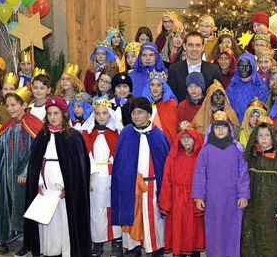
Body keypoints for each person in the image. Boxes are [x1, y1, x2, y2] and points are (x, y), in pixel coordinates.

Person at [23, 96, 92, 257]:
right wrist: (38, 183)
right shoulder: (42, 135)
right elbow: (35, 164)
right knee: (49, 221)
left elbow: (78, 168)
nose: (53, 117)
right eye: (49, 114)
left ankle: (67, 250)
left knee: (65, 219)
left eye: (56, 113)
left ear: (64, 114)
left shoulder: (73, 137)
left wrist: (67, 186)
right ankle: (50, 250)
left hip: (63, 188)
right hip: (45, 186)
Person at [111, 97, 171, 257]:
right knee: (132, 214)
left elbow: (164, 163)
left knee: (153, 217)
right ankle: (133, 247)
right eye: (134, 113)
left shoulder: (158, 135)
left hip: (152, 185)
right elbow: (120, 161)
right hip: (130, 184)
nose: (137, 116)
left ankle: (155, 247)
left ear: (149, 115)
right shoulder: (126, 133)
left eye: (141, 112)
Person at [0, 87, 43, 255]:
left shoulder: (32, 123)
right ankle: (5, 238)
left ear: (24, 105)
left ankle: (28, 244)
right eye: (8, 106)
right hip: (7, 175)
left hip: (23, 176)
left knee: (24, 207)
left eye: (13, 105)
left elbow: (37, 150)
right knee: (8, 206)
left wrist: (24, 171)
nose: (10, 109)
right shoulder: (7, 125)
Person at [193, 111, 250, 257]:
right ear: (211, 129)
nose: (220, 130)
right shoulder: (206, 150)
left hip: (233, 198)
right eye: (217, 127)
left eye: (223, 127)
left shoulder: (238, 149)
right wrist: (199, 196)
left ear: (229, 129)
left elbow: (243, 174)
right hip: (213, 199)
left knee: (232, 229)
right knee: (214, 230)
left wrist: (244, 195)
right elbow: (199, 174)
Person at [241, 118, 277, 257]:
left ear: (274, 136)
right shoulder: (250, 157)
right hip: (252, 210)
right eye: (260, 135)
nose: (264, 139)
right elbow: (242, 180)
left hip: (273, 212)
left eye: (267, 135)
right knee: (251, 242)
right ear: (255, 137)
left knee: (272, 243)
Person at [159, 121, 205, 257]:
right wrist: (166, 201)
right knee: (180, 227)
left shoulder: (201, 156)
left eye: (189, 137)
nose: (186, 141)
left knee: (194, 228)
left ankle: (195, 252)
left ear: (195, 138)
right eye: (183, 138)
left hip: (194, 198)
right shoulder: (172, 157)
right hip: (177, 199)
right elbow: (166, 180)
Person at [89, 99, 123, 257]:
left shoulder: (116, 132)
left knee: (114, 207)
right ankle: (98, 241)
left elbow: (121, 154)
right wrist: (90, 174)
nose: (101, 117)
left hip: (112, 174)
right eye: (97, 114)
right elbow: (86, 155)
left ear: (110, 114)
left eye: (104, 113)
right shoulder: (88, 133)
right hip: (95, 177)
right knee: (97, 210)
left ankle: (117, 240)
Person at [168, 31, 222, 102]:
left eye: (198, 45)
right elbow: (172, 97)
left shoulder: (213, 69)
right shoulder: (174, 69)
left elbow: (217, 96)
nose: (194, 49)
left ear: (203, 47)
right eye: (190, 45)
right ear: (184, 46)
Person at [226, 53, 269, 123]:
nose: (244, 69)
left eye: (247, 66)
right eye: (241, 66)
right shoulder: (231, 87)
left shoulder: (260, 87)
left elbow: (261, 111)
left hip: (254, 123)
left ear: (252, 68)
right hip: (235, 123)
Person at [142, 71, 179, 145]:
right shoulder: (143, 104)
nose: (155, 88)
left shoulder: (171, 104)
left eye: (159, 85)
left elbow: (173, 128)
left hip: (166, 144)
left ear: (164, 87)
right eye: (152, 85)